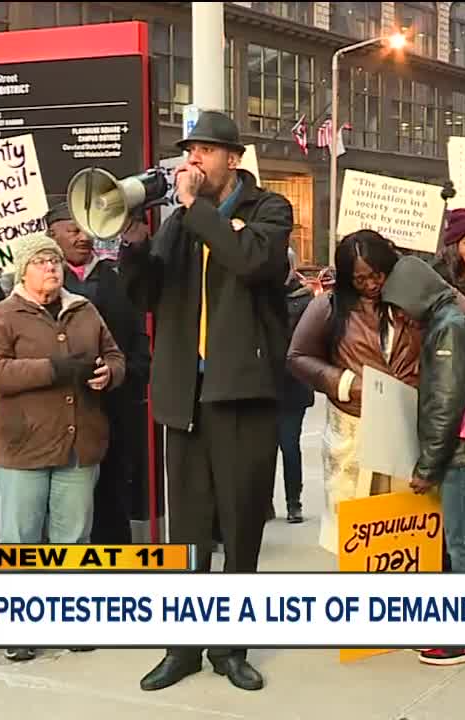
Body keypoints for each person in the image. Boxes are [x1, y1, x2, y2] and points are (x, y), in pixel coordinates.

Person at [119, 111, 293, 693]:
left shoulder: (268, 210)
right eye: (189, 151)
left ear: (232, 158)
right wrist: (134, 243)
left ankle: (231, 648)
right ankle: (183, 647)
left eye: (205, 151)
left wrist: (194, 211)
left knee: (241, 526)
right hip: (185, 396)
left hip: (243, 393)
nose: (192, 161)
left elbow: (253, 263)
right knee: (187, 534)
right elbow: (146, 294)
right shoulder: (177, 223)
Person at [0, 236, 125, 662]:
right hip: (22, 448)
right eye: (41, 262)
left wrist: (108, 374)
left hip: (79, 445)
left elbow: (115, 355)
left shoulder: (84, 309)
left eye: (54, 261)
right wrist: (53, 370)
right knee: (20, 540)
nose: (51, 268)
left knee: (73, 538)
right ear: (23, 270)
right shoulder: (5, 315)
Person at [287, 230, 420, 554]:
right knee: (357, 537)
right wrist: (347, 383)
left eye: (377, 275)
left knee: (405, 536)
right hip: (353, 432)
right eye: (361, 280)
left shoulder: (415, 301)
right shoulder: (329, 307)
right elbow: (297, 357)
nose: (372, 284)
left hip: (407, 428)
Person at [381, 256, 465, 667]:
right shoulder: (450, 318)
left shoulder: (448, 329)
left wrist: (426, 467)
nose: (402, 317)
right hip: (461, 451)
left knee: (460, 548)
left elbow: (446, 403)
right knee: (456, 545)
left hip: (459, 455)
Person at [45, 201, 151, 544]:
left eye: (87, 229)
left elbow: (137, 342)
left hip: (113, 414)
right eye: (73, 229)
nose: (83, 237)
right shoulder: (38, 287)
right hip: (56, 419)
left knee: (112, 502)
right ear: (52, 233)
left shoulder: (116, 280)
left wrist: (124, 375)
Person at [275, 248, 314, 524]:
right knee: (262, 449)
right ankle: (263, 503)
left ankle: (293, 502)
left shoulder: (304, 299)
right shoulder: (260, 294)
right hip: (264, 385)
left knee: (289, 445)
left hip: (293, 386)